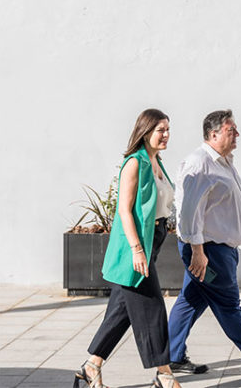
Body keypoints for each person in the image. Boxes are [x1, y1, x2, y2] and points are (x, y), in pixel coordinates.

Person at [168, 109, 241, 379]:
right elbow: (188, 214)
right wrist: (198, 252)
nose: (237, 134)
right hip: (208, 250)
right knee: (228, 304)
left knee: (190, 301)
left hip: (215, 249)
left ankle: (171, 356)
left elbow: (232, 206)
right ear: (213, 134)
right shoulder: (200, 164)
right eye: (231, 130)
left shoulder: (223, 162)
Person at [74, 109, 181, 388]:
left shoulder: (157, 162)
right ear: (145, 132)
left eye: (168, 129)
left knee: (122, 308)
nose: (166, 134)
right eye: (161, 130)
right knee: (153, 306)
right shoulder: (135, 163)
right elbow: (124, 210)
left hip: (153, 239)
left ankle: (91, 366)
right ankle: (164, 374)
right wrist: (136, 249)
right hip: (137, 245)